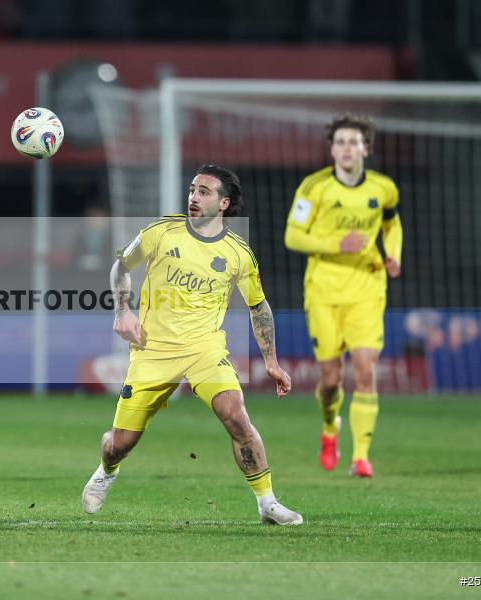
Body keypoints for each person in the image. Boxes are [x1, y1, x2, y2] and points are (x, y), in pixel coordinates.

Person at [81, 164, 303, 526]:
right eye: (192, 190)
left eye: (204, 192)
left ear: (224, 203)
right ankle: (107, 470)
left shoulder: (238, 253)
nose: (194, 198)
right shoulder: (161, 231)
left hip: (205, 350)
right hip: (153, 349)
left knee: (236, 415)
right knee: (120, 442)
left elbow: (257, 305)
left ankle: (267, 502)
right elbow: (121, 268)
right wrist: (122, 312)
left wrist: (272, 361)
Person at [284, 114, 403, 478]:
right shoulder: (313, 187)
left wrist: (394, 253)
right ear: (332, 149)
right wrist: (338, 244)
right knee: (331, 379)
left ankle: (362, 456)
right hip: (323, 291)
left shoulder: (383, 188)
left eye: (353, 142)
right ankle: (329, 427)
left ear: (366, 148)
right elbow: (293, 236)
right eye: (340, 143)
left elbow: (391, 222)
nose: (346, 149)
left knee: (366, 369)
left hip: (367, 287)